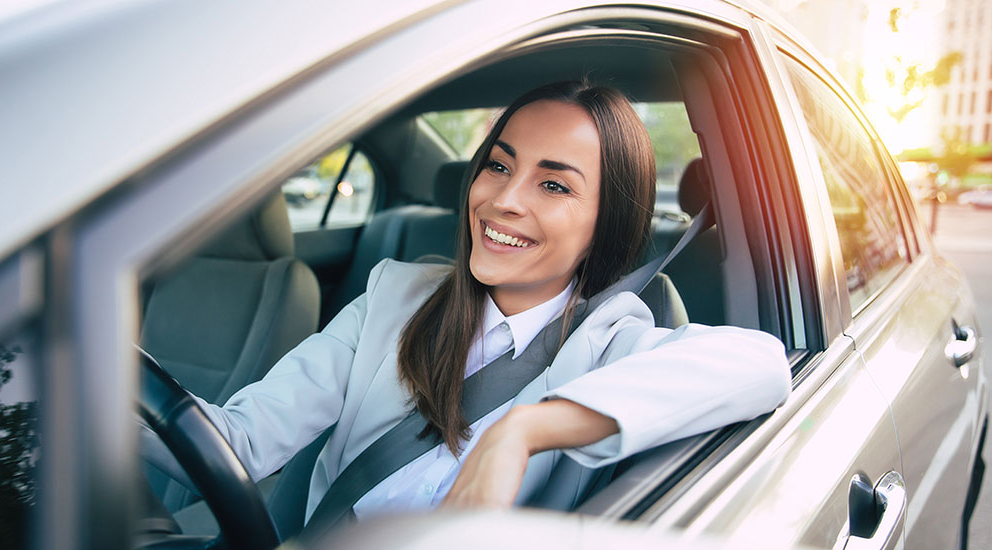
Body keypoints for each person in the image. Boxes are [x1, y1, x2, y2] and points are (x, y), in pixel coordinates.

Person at [197, 80, 791, 523]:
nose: (505, 199)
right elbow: (239, 442)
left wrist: (525, 430)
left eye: (554, 184)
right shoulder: (393, 296)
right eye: (499, 165)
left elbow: (763, 362)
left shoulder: (610, 340)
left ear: (603, 224)